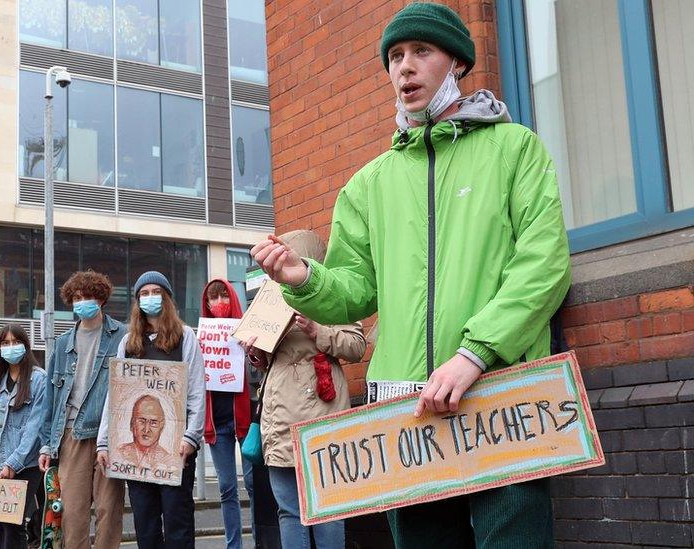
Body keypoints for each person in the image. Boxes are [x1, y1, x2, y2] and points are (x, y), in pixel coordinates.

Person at [251, 3, 572, 547]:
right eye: (395, 56)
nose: (405, 67)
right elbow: (355, 290)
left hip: (501, 394)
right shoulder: (366, 185)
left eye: (421, 51)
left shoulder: (515, 149)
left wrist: (474, 354)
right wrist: (304, 276)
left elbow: (545, 266)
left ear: (458, 64)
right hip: (406, 412)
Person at [244, 230, 367, 549]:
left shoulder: (332, 293)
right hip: (280, 411)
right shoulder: (270, 297)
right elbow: (269, 360)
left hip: (321, 411)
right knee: (288, 509)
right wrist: (256, 352)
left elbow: (355, 346)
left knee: (327, 508)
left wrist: (317, 330)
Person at [96, 270, 206, 549]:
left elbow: (196, 392)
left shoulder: (186, 337)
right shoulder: (128, 343)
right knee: (145, 527)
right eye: (143, 294)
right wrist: (103, 442)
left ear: (166, 298)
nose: (149, 298)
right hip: (135, 460)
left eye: (155, 292)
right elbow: (116, 397)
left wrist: (191, 437)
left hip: (177, 450)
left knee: (178, 524)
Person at [37, 270, 126, 549]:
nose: (82, 302)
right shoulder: (63, 344)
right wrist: (45, 446)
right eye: (76, 298)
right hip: (70, 433)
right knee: (71, 513)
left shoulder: (122, 335)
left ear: (101, 299)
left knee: (108, 512)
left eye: (88, 296)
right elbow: (50, 399)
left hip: (109, 435)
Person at [199, 278, 280, 549]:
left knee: (254, 485)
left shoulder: (250, 331)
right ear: (206, 303)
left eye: (223, 297)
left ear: (232, 298)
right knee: (226, 488)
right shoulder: (201, 337)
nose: (218, 303)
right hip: (216, 423)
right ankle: (233, 545)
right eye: (213, 298)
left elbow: (263, 372)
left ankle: (259, 541)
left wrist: (251, 352)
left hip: (245, 421)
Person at [0, 323, 46, 548]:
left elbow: (36, 427)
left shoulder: (39, 379)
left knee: (13, 526)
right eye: (5, 343)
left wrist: (13, 463)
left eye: (16, 342)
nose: (10, 347)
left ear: (26, 346)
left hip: (25, 467)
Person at [116, 395, 172, 464]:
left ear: (162, 426)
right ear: (132, 423)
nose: (146, 430)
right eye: (142, 421)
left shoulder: (167, 461)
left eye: (153, 423)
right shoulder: (118, 454)